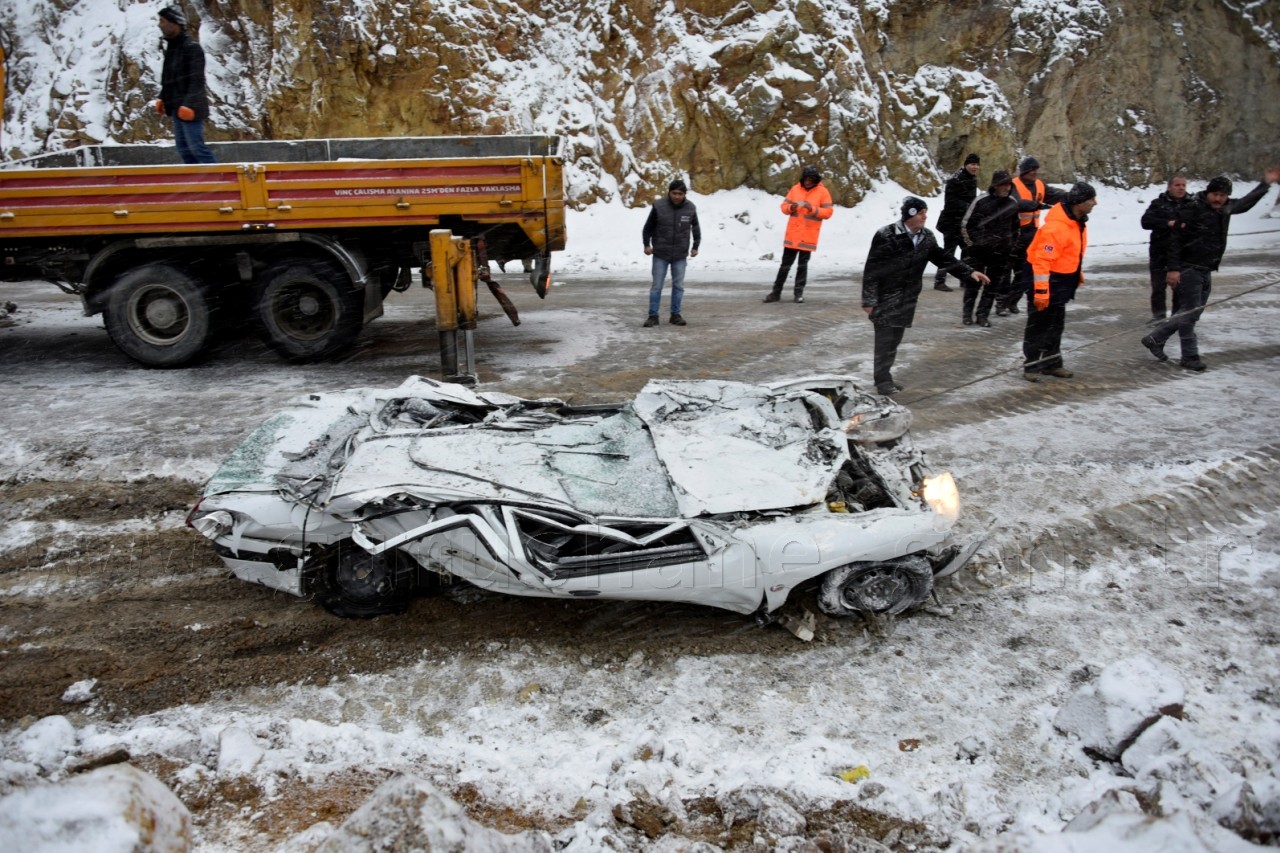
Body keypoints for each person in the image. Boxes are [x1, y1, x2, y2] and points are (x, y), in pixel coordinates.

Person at [1142, 168, 1279, 371]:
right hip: (1189, 268)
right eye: (1215, 194)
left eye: (1223, 196)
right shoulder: (1192, 208)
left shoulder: (1224, 208)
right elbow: (1175, 240)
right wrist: (1173, 269)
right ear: (1208, 193)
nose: (1218, 199)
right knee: (1189, 313)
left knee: (1192, 312)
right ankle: (1189, 356)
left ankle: (1156, 338)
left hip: (1206, 269)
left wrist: (1265, 184)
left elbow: (1246, 203)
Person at [861, 197, 990, 396]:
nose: (925, 216)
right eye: (921, 212)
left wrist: (968, 272)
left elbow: (942, 258)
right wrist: (869, 299)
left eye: (925, 212)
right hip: (886, 297)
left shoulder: (926, 237)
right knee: (884, 341)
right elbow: (872, 268)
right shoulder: (886, 235)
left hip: (907, 298)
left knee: (894, 340)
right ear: (910, 214)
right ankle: (883, 380)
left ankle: (885, 377)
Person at [1021, 182, 1097, 382]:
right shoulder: (1056, 228)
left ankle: (1052, 363)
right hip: (1045, 280)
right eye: (1091, 199)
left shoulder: (1077, 223)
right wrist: (1041, 292)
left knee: (1056, 325)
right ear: (1079, 202)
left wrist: (1075, 273)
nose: (1094, 203)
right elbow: (1041, 262)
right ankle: (1031, 365)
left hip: (1062, 280)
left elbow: (1072, 253)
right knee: (1038, 325)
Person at [1002, 156, 1063, 315]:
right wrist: (1037, 205)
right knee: (1005, 271)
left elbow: (1055, 194)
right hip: (1013, 235)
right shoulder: (1013, 185)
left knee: (1024, 272)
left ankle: (1012, 301)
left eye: (1036, 169)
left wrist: (1072, 196)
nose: (1034, 172)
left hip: (1032, 236)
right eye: (1031, 169)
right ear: (1024, 171)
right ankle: (1001, 302)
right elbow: (1016, 203)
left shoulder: (1040, 185)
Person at [959, 169, 1020, 327]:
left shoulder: (1013, 203)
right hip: (978, 252)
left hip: (1001, 253)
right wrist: (973, 244)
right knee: (973, 284)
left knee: (992, 286)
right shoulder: (981, 201)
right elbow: (966, 224)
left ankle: (982, 315)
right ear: (995, 186)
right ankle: (967, 314)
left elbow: (1016, 228)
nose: (1006, 188)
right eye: (1003, 185)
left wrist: (1011, 245)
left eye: (1008, 184)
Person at [763, 165, 833, 304]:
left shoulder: (823, 192)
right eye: (806, 179)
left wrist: (811, 208)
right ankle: (776, 293)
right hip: (793, 235)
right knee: (784, 266)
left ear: (815, 180)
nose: (807, 182)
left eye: (810, 179)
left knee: (802, 266)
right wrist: (791, 207)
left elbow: (828, 212)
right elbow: (784, 206)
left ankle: (798, 293)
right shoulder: (795, 189)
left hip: (808, 236)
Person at [156, 6, 215, 164]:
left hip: (190, 108)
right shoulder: (173, 47)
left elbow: (196, 80)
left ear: (174, 23)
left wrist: (189, 105)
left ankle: (219, 181)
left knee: (197, 149)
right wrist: (163, 98)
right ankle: (198, 183)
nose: (159, 25)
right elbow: (169, 78)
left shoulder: (191, 48)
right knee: (184, 150)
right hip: (176, 107)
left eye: (162, 21)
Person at [641, 178, 701, 327]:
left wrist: (695, 246)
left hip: (680, 255)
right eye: (674, 193)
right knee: (656, 286)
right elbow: (647, 227)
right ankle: (653, 316)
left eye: (680, 193)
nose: (676, 196)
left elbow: (696, 228)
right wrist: (646, 245)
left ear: (684, 194)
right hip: (660, 253)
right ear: (669, 192)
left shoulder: (690, 208)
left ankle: (675, 315)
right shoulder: (659, 206)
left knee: (679, 286)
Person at [1139, 175, 1194, 322]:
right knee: (1158, 288)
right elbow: (1145, 221)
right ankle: (1159, 318)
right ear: (1169, 187)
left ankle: (1176, 318)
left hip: (1183, 253)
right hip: (1159, 252)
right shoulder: (1159, 203)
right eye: (1177, 185)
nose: (1181, 188)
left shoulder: (1192, 204)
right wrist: (1167, 223)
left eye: (1183, 185)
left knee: (1179, 289)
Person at [933, 153, 981, 292]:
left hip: (963, 224)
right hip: (950, 222)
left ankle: (964, 279)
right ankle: (939, 281)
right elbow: (950, 202)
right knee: (949, 252)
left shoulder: (972, 179)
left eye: (977, 164)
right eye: (972, 164)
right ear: (966, 164)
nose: (975, 167)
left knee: (966, 250)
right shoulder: (955, 179)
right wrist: (969, 206)